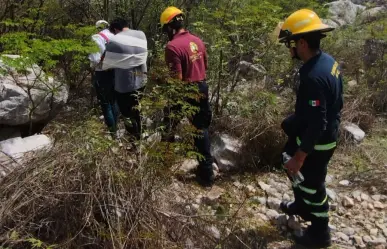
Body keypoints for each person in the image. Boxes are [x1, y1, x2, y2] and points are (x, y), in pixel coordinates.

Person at [277, 9, 343, 248]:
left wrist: (300, 156)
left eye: (291, 43)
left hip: (318, 139)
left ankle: (320, 232)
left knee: (313, 183)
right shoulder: (328, 61)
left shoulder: (313, 76)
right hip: (319, 130)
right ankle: (302, 205)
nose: (290, 49)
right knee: (287, 159)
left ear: (302, 43)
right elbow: (328, 106)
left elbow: (318, 122)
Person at [160, 6, 215, 187]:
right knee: (201, 130)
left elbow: (177, 79)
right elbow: (204, 65)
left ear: (169, 27)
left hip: (184, 91)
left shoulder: (172, 46)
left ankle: (163, 165)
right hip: (202, 86)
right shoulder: (197, 40)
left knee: (168, 126)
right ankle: (207, 175)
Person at [102, 18, 148, 141]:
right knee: (137, 108)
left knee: (127, 114)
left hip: (124, 84)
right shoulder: (141, 34)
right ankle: (141, 134)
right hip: (141, 79)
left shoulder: (114, 40)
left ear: (116, 29)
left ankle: (134, 139)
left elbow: (106, 65)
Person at [88, 20, 118, 136]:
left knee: (106, 104)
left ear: (97, 28)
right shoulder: (115, 37)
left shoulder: (96, 37)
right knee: (114, 101)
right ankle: (115, 129)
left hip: (102, 73)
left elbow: (95, 60)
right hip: (117, 72)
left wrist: (93, 65)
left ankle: (112, 133)